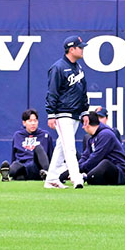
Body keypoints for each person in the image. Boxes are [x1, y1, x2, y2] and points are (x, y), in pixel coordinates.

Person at [44, 35, 87, 189]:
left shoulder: (78, 67)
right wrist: (51, 114)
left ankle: (51, 179)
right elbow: (52, 92)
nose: (82, 50)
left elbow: (83, 91)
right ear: (71, 49)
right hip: (63, 113)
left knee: (62, 146)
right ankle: (77, 178)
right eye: (80, 47)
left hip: (75, 113)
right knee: (69, 146)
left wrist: (85, 112)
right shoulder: (58, 67)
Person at [74, 110, 125, 185]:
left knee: (105, 163)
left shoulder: (106, 134)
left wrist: (79, 170)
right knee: (77, 160)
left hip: (118, 172)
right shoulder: (91, 138)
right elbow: (85, 156)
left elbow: (96, 157)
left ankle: (86, 177)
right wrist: (75, 169)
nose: (83, 128)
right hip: (100, 170)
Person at [2, 108, 53, 181]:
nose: (33, 123)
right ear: (24, 123)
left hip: (37, 166)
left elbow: (50, 155)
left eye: (35, 121)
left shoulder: (45, 135)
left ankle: (47, 174)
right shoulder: (18, 135)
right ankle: (7, 174)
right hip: (23, 166)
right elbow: (14, 155)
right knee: (16, 165)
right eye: (30, 121)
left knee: (38, 147)